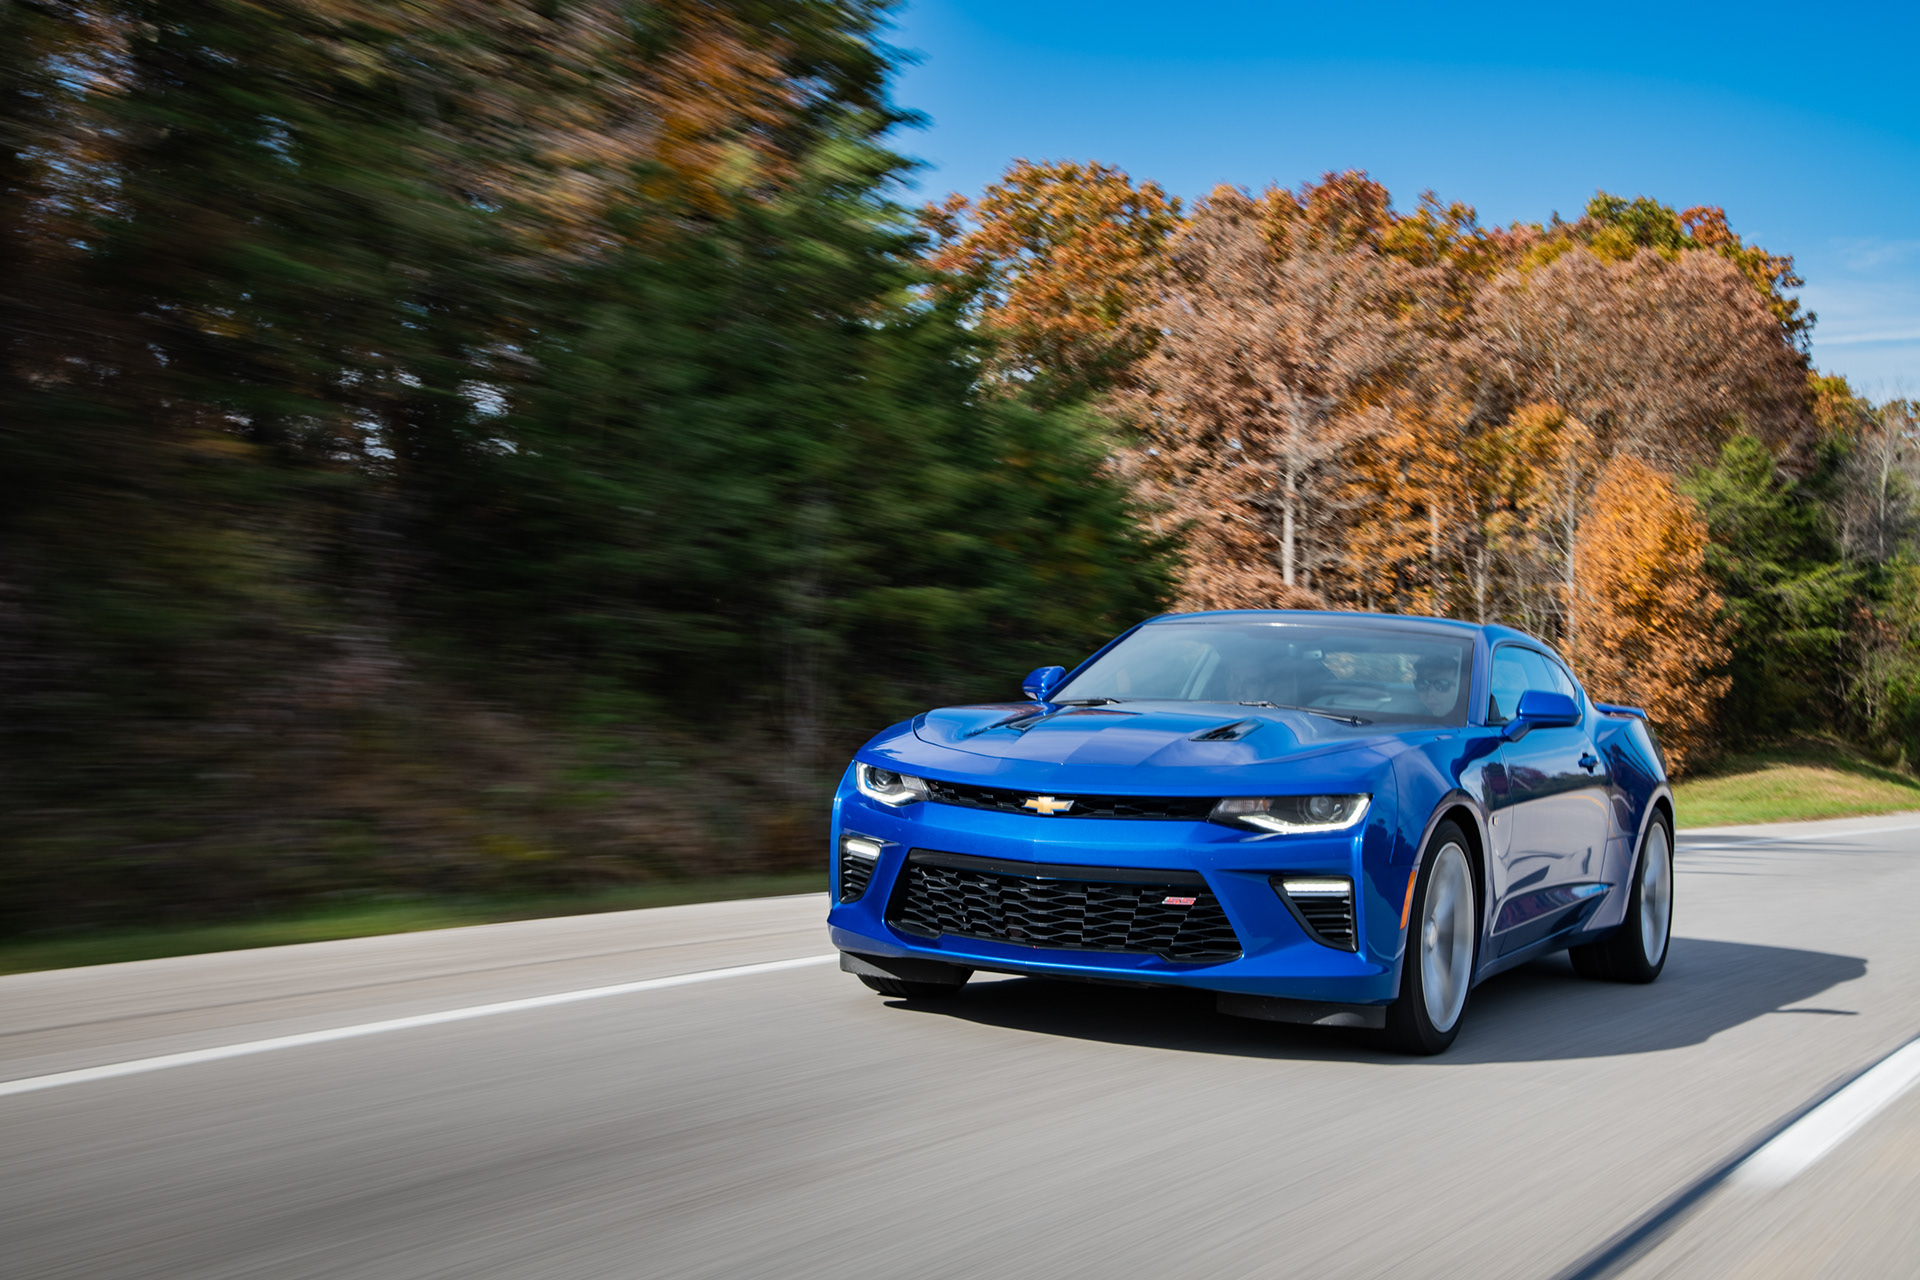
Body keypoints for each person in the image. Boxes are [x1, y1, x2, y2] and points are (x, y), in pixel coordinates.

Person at [1413, 653, 1460, 718]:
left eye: (1442, 685)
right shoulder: (1405, 717)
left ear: (1458, 688)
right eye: (1423, 684)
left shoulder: (1467, 722)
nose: (1430, 693)